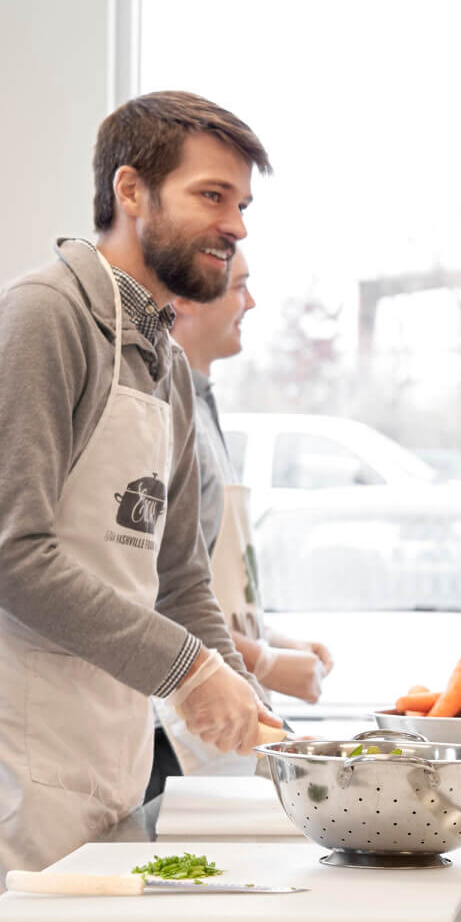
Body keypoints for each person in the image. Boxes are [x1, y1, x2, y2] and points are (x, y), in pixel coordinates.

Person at [0, 91, 283, 919]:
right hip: (0, 715)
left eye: (244, 205)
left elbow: (181, 583)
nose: (237, 226)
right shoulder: (42, 317)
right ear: (130, 191)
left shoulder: (168, 366)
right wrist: (188, 670)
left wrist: (241, 703)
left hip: (104, 726)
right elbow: (11, 554)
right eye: (212, 196)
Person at [145, 248, 336, 794]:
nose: (250, 302)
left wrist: (269, 639)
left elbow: (208, 582)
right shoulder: (163, 408)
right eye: (238, 287)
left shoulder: (201, 403)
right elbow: (162, 589)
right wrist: (264, 663)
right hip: (175, 713)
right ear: (183, 299)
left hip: (218, 683)